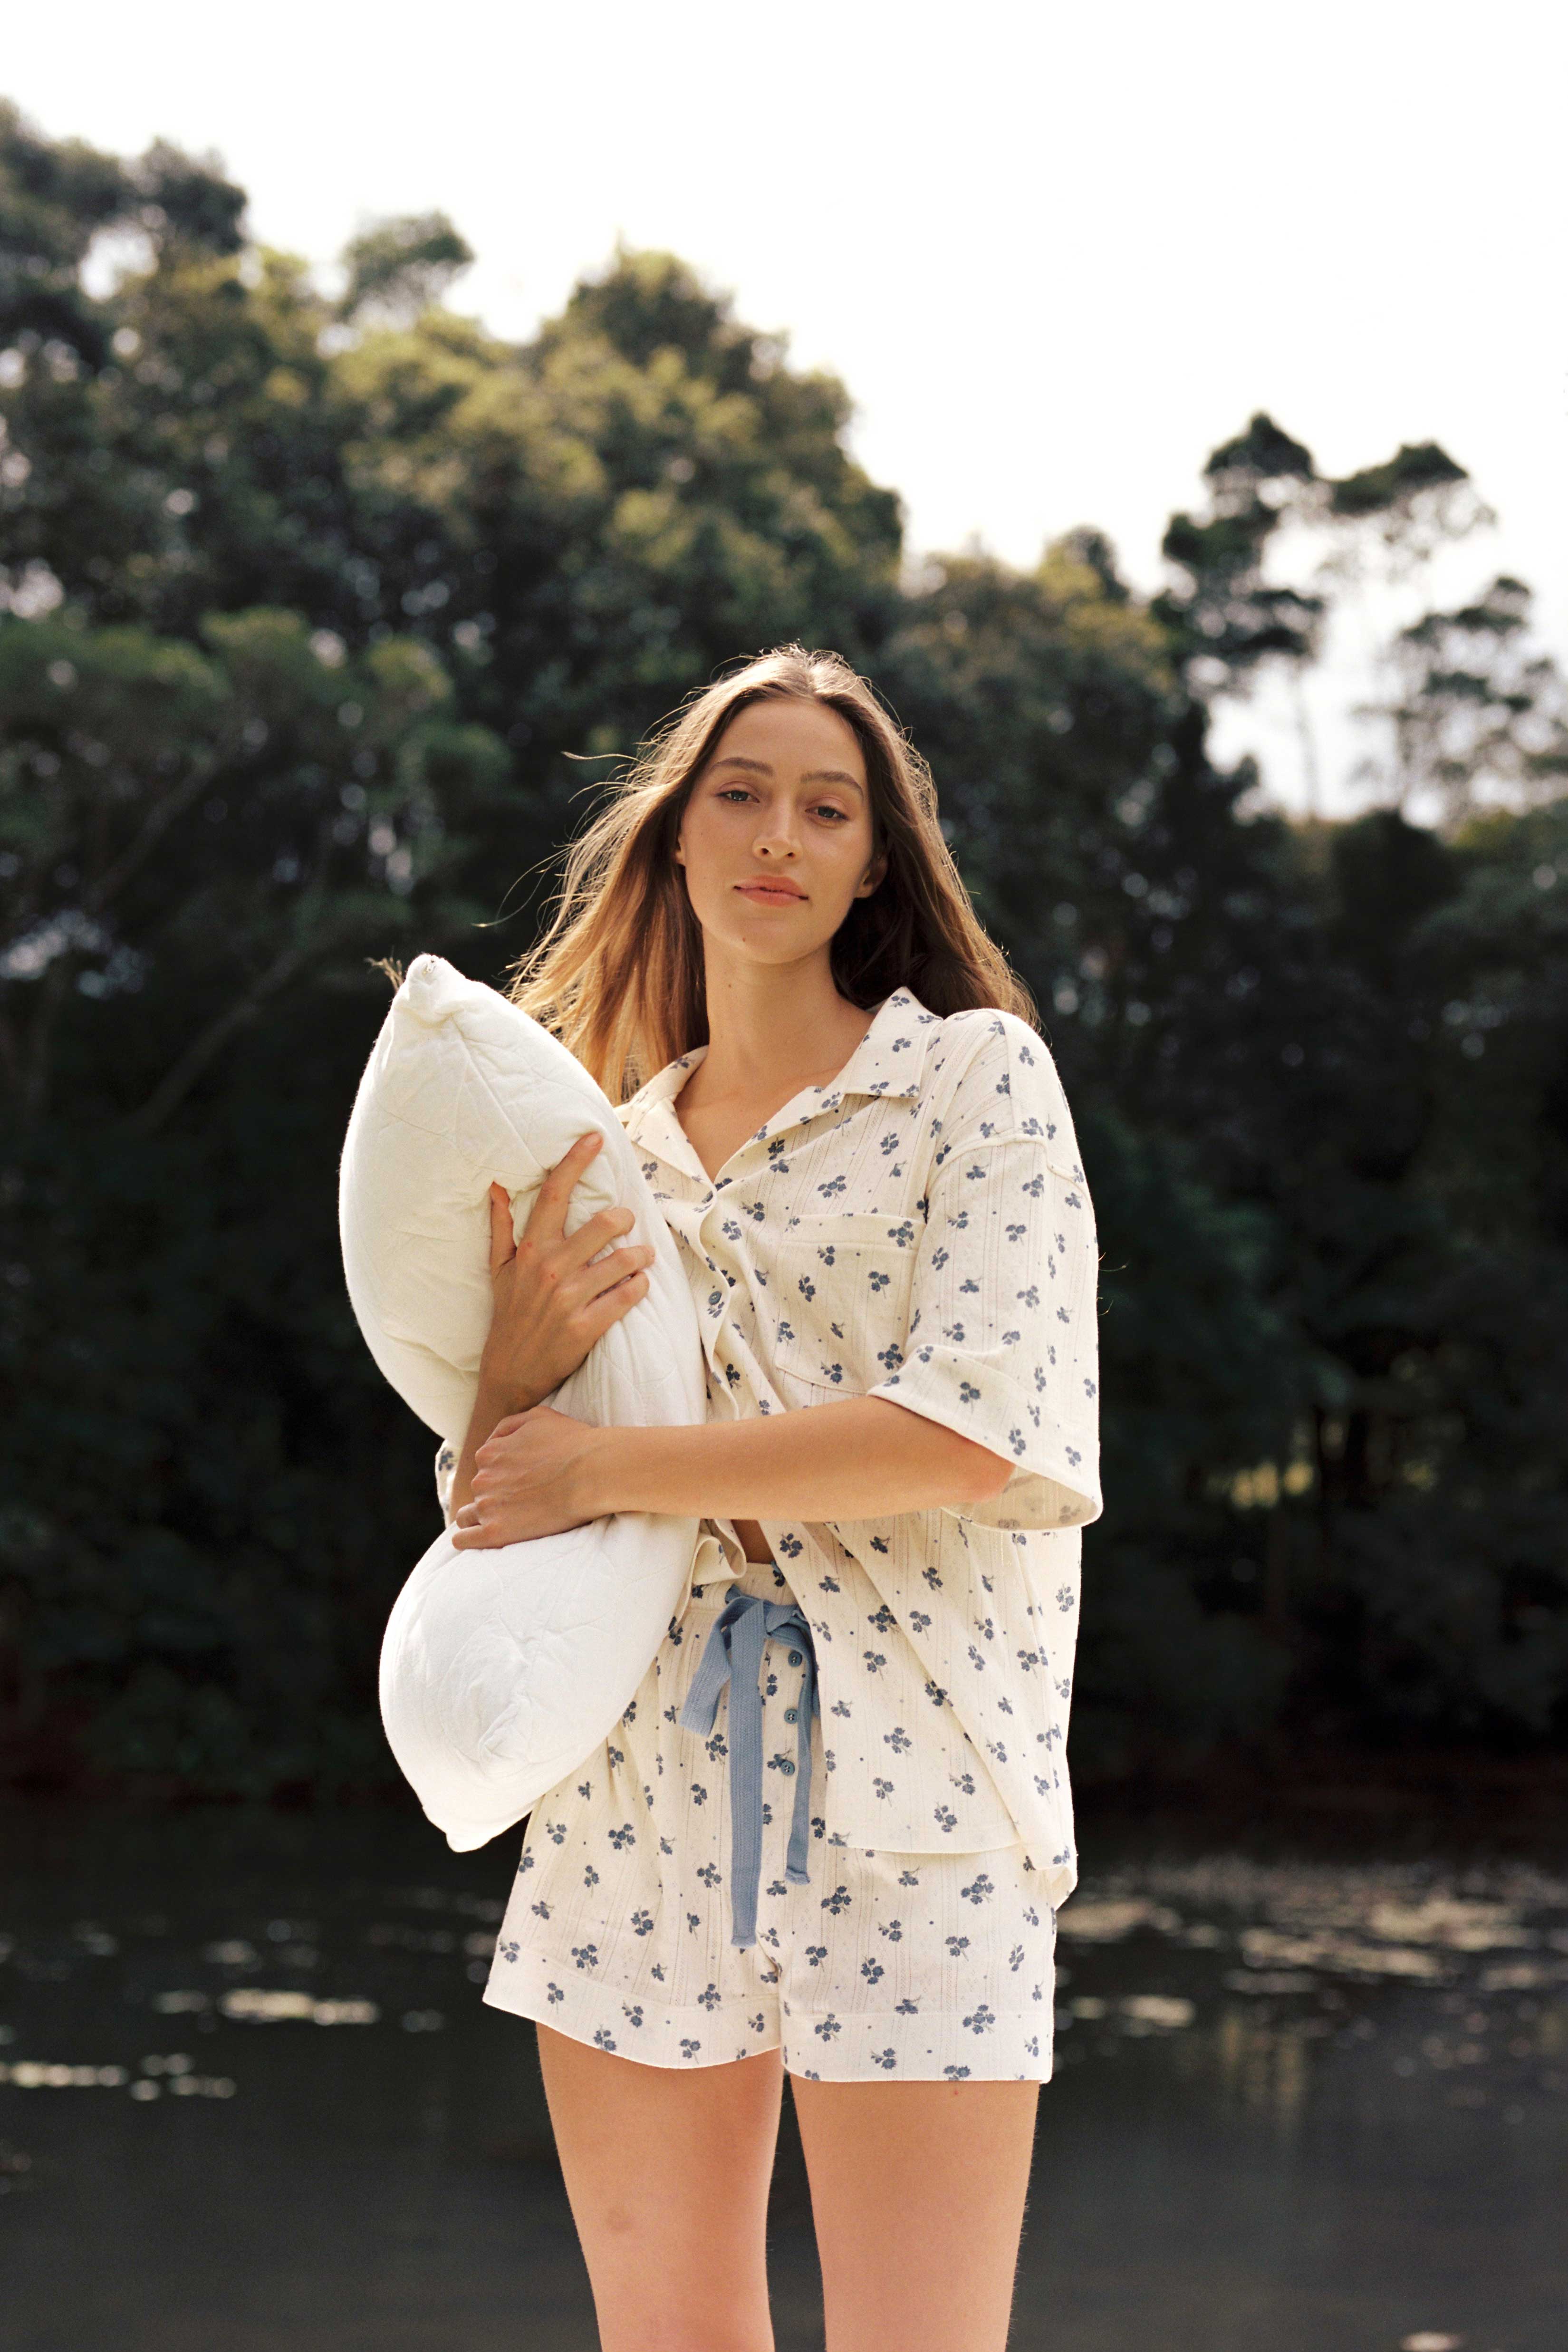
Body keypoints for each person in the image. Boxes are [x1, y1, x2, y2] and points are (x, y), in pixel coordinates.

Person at [437, 646, 1101, 2352]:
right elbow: (494, 1510)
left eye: (827, 806)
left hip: (923, 1782)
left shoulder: (975, 1082)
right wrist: (511, 1383)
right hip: (632, 1788)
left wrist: (605, 1462)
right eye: (737, 794)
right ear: (672, 836)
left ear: (877, 860)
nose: (776, 835)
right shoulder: (601, 1155)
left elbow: (971, 1434)